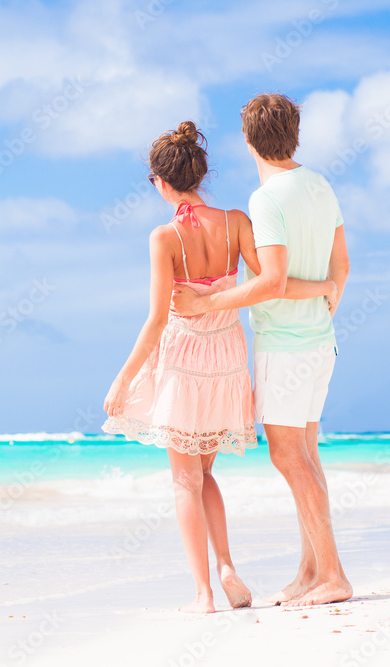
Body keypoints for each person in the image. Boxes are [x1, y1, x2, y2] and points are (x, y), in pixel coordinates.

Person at [103, 121, 336, 613]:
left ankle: (204, 593)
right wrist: (321, 288)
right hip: (227, 361)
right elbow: (273, 282)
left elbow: (154, 322)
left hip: (185, 361)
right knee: (206, 473)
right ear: (201, 173)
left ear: (162, 183)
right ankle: (227, 566)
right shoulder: (235, 221)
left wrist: (123, 379)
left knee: (185, 480)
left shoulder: (165, 237)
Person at [172, 94, 353, 607]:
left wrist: (209, 301)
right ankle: (310, 570)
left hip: (286, 346)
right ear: (294, 133)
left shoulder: (266, 199)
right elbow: (341, 266)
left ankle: (334, 575)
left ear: (248, 139)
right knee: (307, 457)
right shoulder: (320, 184)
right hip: (319, 341)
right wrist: (324, 305)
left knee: (288, 456)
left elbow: (271, 281)